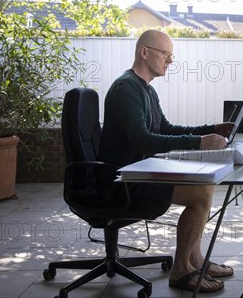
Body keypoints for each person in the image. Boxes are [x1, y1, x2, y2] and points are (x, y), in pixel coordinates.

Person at [98, 29, 233, 293]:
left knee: (205, 186)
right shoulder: (126, 87)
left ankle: (195, 261)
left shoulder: (146, 90)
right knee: (200, 194)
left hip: (140, 172)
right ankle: (182, 269)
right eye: (165, 54)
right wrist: (198, 143)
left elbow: (166, 128)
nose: (170, 60)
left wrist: (210, 129)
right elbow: (142, 140)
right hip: (122, 181)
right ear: (144, 52)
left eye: (172, 56)